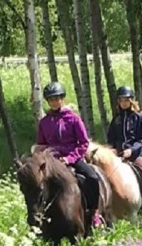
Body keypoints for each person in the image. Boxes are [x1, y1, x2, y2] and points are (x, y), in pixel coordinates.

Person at [36, 82, 103, 229]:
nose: (54, 102)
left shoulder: (73, 119)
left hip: (73, 158)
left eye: (57, 99)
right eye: (51, 99)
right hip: (52, 161)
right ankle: (38, 215)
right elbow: (41, 144)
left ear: (62, 99)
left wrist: (69, 158)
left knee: (92, 177)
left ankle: (94, 213)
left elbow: (83, 143)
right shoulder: (44, 122)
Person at [106, 86, 142, 214]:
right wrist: (112, 149)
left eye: (126, 100)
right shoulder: (116, 119)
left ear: (131, 101)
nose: (123, 103)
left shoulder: (138, 117)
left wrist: (131, 150)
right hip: (118, 156)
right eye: (121, 100)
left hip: (134, 155)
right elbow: (111, 138)